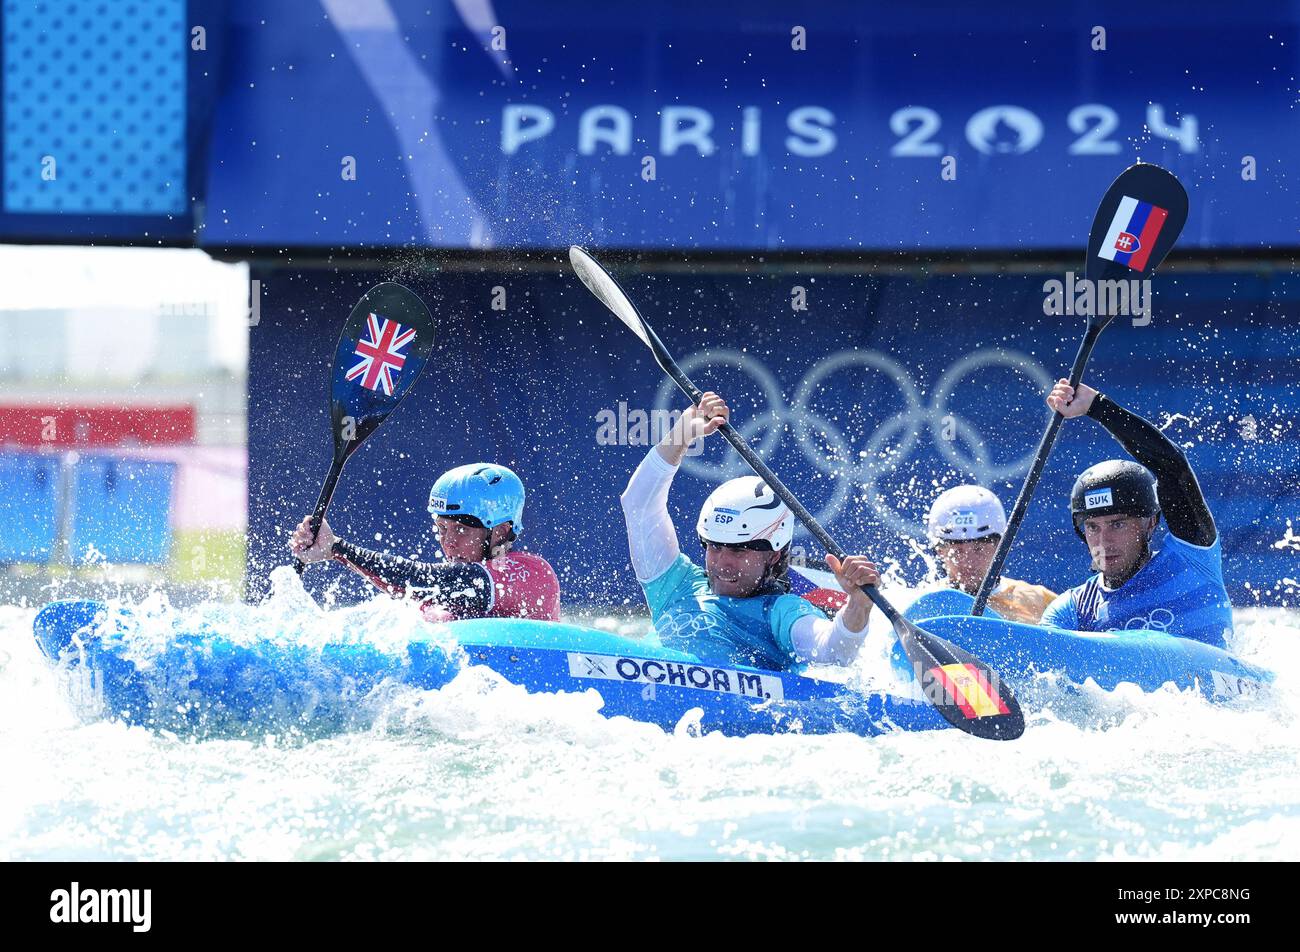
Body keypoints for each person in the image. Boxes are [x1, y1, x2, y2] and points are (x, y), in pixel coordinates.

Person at [620, 391, 881, 671]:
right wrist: (682, 434)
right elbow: (639, 505)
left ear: (773, 554)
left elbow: (832, 649)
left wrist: (858, 606)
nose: (721, 563)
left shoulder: (780, 612)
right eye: (714, 546)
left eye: (738, 550)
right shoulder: (675, 584)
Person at [1039, 379, 1233, 647]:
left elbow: (1171, 466)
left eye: (1117, 524)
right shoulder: (1072, 612)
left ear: (1150, 523)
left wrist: (1097, 407)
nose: (1104, 541)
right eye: (1093, 527)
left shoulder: (1191, 559)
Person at [289, 463, 560, 623]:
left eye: (462, 530)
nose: (448, 543)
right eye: (442, 528)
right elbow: (412, 588)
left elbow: (422, 580)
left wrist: (338, 547)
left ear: (500, 531)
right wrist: (330, 552)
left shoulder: (533, 573)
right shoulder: (437, 597)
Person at [926, 485, 1057, 623]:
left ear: (1000, 548)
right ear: (940, 552)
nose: (968, 562)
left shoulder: (1041, 601)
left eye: (978, 549)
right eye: (958, 551)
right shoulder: (924, 602)